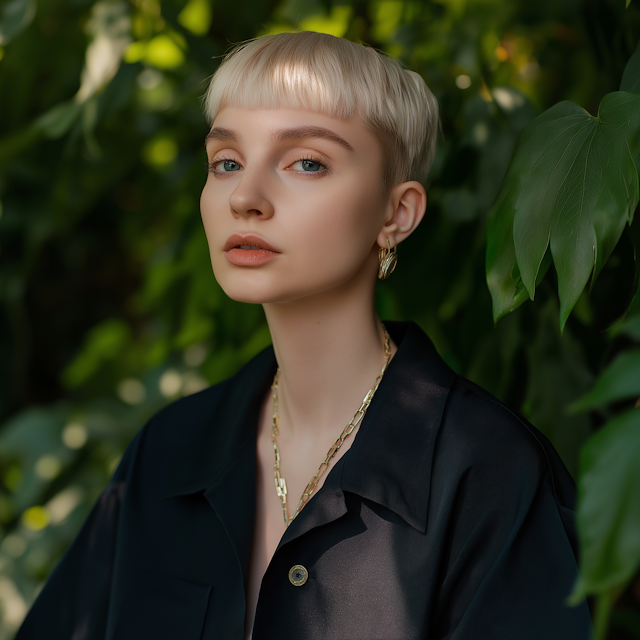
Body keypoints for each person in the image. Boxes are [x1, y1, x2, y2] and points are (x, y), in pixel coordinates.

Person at [16, 31, 592, 639]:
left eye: (307, 162)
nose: (246, 197)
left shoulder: (491, 475)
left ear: (397, 214)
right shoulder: (167, 455)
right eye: (227, 162)